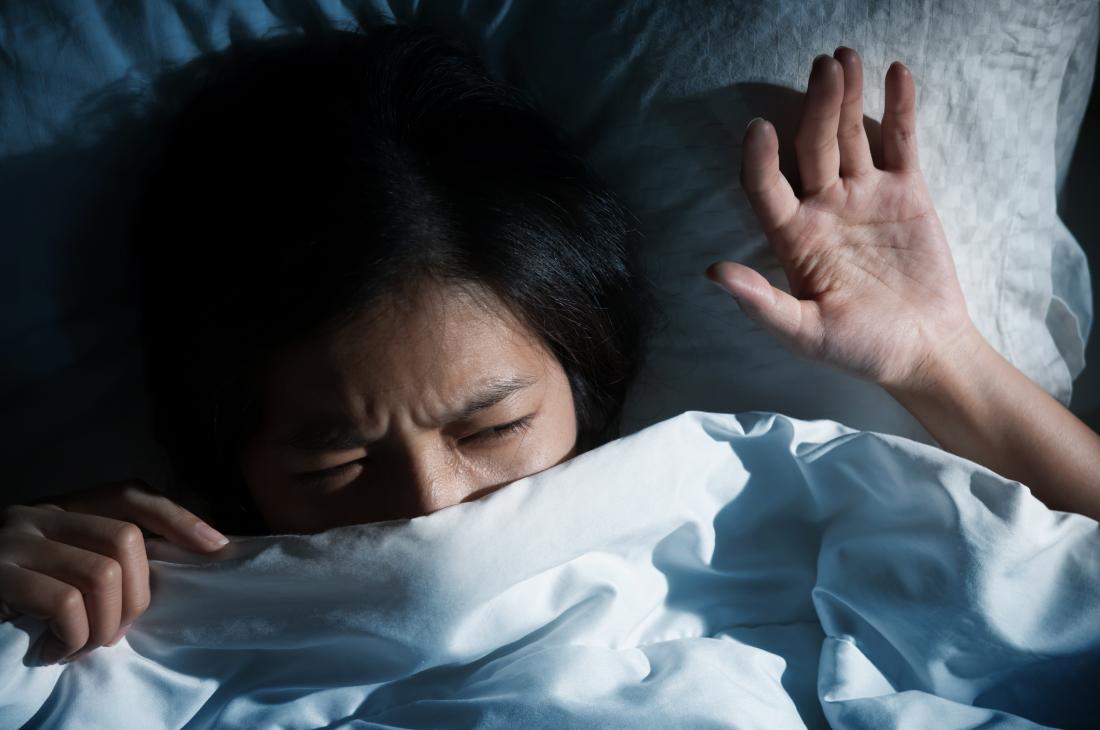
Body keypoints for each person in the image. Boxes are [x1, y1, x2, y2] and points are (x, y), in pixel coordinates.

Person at [1, 23, 1097, 668]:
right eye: (329, 462)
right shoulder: (118, 623)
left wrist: (939, 359)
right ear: (227, 451)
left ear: (586, 374)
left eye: (492, 425)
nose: (431, 503)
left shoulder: (743, 510)